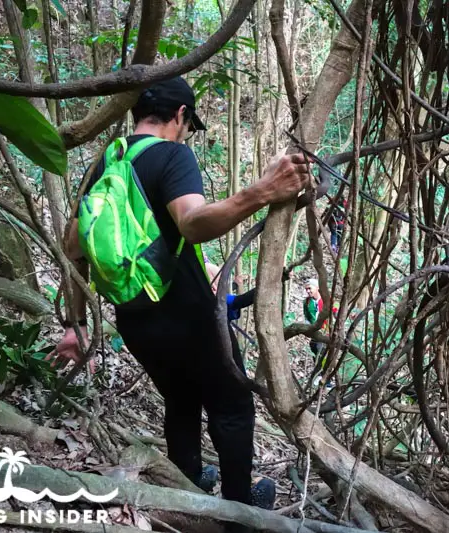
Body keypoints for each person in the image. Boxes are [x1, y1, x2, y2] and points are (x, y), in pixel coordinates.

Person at [50, 76, 311, 518]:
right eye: (189, 124)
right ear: (180, 116)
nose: (187, 132)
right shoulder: (173, 154)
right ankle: (239, 514)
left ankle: (186, 493)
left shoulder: (106, 165)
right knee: (232, 405)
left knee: (181, 400)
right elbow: (191, 223)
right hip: (190, 318)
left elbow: (74, 246)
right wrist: (264, 191)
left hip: (135, 320)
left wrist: (75, 326)